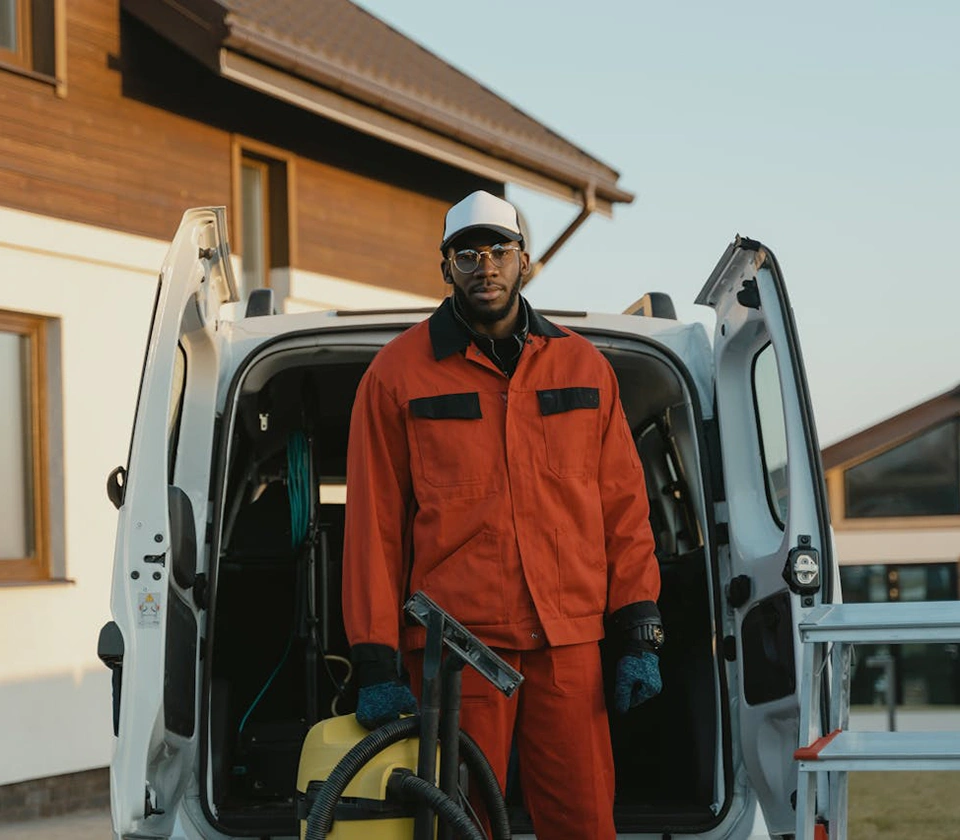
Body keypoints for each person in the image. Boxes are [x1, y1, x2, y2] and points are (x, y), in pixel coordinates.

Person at [342, 190, 664, 839]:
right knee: (462, 824)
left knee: (583, 820)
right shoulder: (397, 375)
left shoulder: (583, 366)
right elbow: (372, 530)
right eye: (467, 254)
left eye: (498, 251)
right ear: (446, 267)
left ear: (525, 262)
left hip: (568, 642)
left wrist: (639, 625)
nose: (484, 266)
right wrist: (375, 661)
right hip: (456, 648)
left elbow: (624, 509)